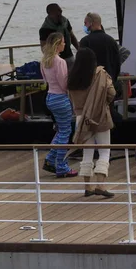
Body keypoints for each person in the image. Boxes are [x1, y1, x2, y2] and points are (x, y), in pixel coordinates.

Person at [68, 48, 116, 198]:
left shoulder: (72, 78)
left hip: (81, 119)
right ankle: (100, 185)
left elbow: (71, 99)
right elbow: (112, 93)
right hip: (100, 116)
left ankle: (87, 187)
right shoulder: (100, 75)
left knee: (87, 152)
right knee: (104, 151)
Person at [40, 32, 78, 177]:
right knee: (65, 132)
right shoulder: (60, 62)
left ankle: (50, 159)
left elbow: (45, 80)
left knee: (60, 130)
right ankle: (61, 166)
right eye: (63, 42)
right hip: (60, 98)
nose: (65, 44)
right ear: (57, 44)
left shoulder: (44, 61)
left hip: (50, 96)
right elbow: (64, 84)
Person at [79, 13, 121, 86]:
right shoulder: (111, 41)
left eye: (85, 23)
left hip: (93, 83)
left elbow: (81, 64)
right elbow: (117, 63)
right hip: (109, 83)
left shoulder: (85, 41)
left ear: (91, 23)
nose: (84, 25)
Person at [39, 3, 79, 70]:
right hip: (55, 60)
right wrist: (50, 60)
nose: (59, 14)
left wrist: (79, 49)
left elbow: (72, 37)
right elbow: (44, 47)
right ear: (50, 14)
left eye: (60, 11)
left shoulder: (65, 22)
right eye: (56, 13)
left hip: (69, 56)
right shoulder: (44, 29)